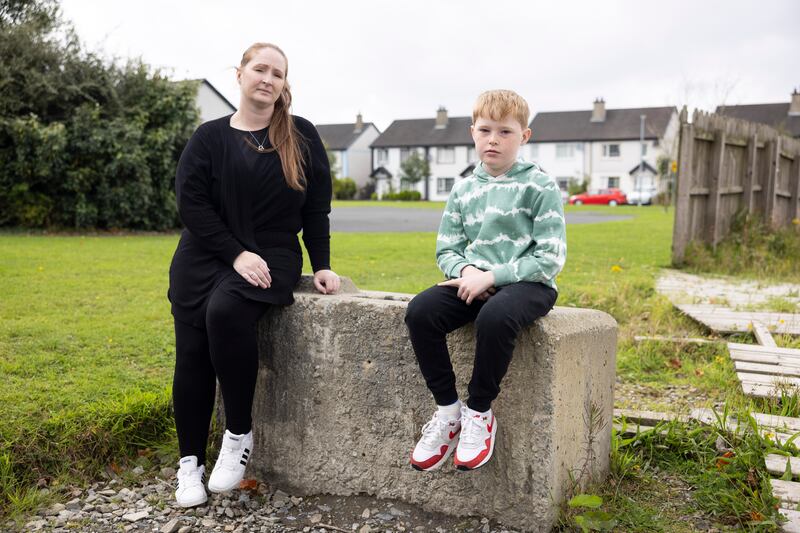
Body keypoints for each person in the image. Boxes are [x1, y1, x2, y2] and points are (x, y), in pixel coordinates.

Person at [167, 42, 339, 507]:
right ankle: (189, 465)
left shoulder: (301, 135)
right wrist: (234, 252)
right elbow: (191, 204)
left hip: (271, 255)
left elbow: (316, 208)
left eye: (277, 73)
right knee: (192, 355)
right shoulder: (209, 137)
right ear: (240, 74)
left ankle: (238, 434)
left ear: (284, 85)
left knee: (225, 312)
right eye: (260, 69)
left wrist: (322, 264)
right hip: (206, 254)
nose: (268, 78)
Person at [405, 90, 566, 471]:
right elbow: (447, 249)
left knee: (495, 316)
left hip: (530, 284)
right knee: (421, 311)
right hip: (474, 280)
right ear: (472, 132)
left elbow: (550, 258)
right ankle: (449, 412)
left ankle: (479, 412)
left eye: (505, 132)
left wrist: (493, 276)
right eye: (485, 130)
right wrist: (467, 273)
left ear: (524, 136)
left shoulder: (540, 186)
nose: (493, 140)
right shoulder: (464, 188)